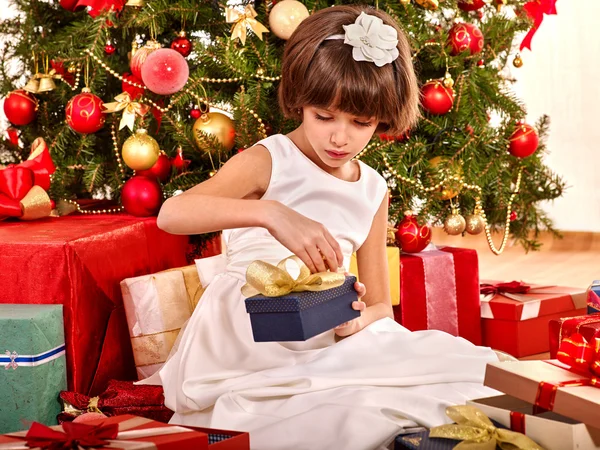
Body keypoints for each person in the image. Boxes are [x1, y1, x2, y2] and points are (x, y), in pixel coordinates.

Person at [140, 5, 499, 449]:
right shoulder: (270, 160)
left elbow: (382, 306)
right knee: (336, 417)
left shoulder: (372, 189)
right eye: (323, 116)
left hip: (329, 337)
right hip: (248, 340)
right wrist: (271, 213)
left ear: (382, 120)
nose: (339, 138)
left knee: (469, 372)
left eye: (360, 123)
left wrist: (357, 320)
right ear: (301, 103)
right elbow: (171, 215)